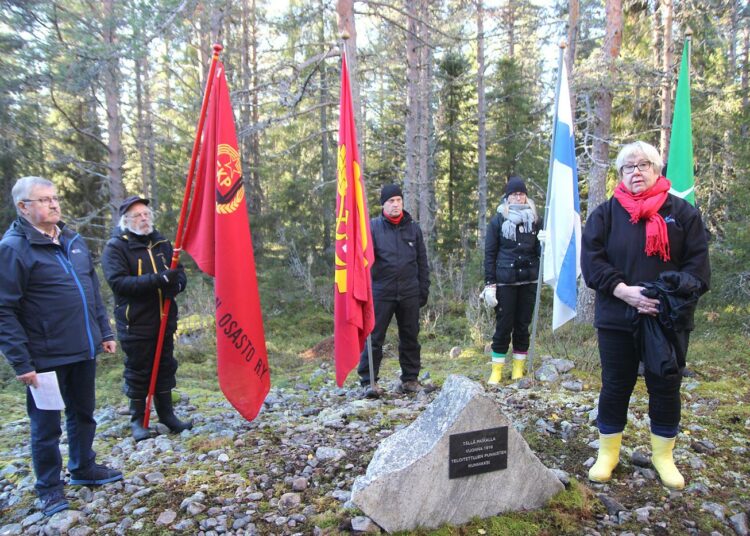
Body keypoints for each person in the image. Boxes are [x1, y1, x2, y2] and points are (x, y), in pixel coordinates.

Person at [581, 141, 710, 489]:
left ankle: (663, 456)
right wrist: (625, 292)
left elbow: (698, 270)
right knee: (615, 385)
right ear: (620, 174)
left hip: (666, 319)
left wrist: (659, 298)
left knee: (666, 386)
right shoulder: (605, 215)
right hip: (616, 315)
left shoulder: (683, 214)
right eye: (628, 167)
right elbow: (592, 263)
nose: (636, 172)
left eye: (643, 165)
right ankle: (608, 454)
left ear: (656, 169)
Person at [0, 176, 123, 517]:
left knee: (83, 414)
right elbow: (3, 309)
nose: (53, 204)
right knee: (47, 427)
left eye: (54, 198)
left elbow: (91, 291)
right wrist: (21, 362)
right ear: (23, 207)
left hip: (83, 349)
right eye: (43, 200)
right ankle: (50, 489)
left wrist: (104, 331)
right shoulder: (13, 249)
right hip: (44, 358)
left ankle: (84, 467)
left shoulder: (73, 240)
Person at [102, 196, 191, 442]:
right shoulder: (116, 247)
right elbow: (118, 283)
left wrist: (177, 284)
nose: (144, 219)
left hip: (165, 319)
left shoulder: (162, 242)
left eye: (146, 214)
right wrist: (158, 280)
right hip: (135, 321)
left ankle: (167, 415)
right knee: (139, 370)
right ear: (126, 220)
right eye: (137, 215)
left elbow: (178, 273)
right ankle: (138, 421)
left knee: (165, 365)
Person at [357, 184, 430, 396]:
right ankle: (368, 382)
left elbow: (421, 261)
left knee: (410, 336)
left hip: (409, 291)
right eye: (391, 201)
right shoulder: (372, 228)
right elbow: (362, 262)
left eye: (398, 200)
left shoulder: (413, 228)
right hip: (381, 292)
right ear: (383, 205)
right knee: (374, 337)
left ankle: (410, 379)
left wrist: (423, 289)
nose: (396, 204)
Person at [482, 176, 542, 384]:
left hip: (529, 281)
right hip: (505, 281)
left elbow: (539, 251)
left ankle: (518, 369)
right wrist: (490, 284)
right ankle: (496, 370)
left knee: (522, 325)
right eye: (514, 194)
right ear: (507, 198)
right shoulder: (498, 220)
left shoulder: (535, 220)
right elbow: (490, 254)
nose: (518, 197)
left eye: (522, 193)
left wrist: (546, 244)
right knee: (504, 325)